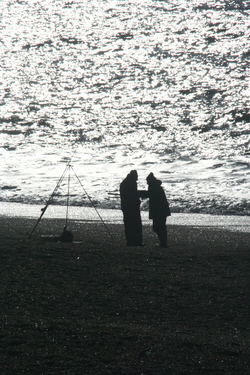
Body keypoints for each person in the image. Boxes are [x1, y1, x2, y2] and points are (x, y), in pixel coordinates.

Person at [120, 170, 146, 246]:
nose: (137, 179)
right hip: (132, 207)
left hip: (125, 206)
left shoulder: (124, 182)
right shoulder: (131, 183)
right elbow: (133, 194)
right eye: (136, 177)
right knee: (136, 224)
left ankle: (130, 241)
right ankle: (137, 241)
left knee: (128, 224)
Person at [146, 172, 171, 248]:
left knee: (158, 227)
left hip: (159, 211)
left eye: (147, 181)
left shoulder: (153, 187)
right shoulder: (156, 186)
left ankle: (163, 243)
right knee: (160, 227)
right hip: (162, 210)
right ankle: (163, 242)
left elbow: (150, 195)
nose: (147, 183)